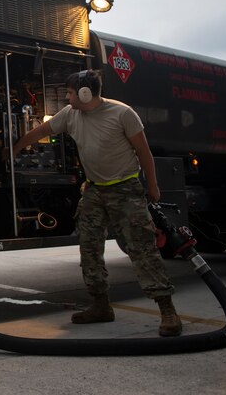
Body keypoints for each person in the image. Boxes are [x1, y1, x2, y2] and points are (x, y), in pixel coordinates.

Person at [11, 69, 182, 337]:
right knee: (89, 248)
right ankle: (101, 307)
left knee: (142, 249)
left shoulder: (122, 114)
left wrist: (153, 186)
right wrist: (13, 149)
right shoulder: (71, 114)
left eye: (69, 92)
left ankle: (167, 311)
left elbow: (143, 151)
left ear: (85, 93)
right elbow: (40, 131)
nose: (66, 97)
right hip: (94, 191)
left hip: (125, 189)